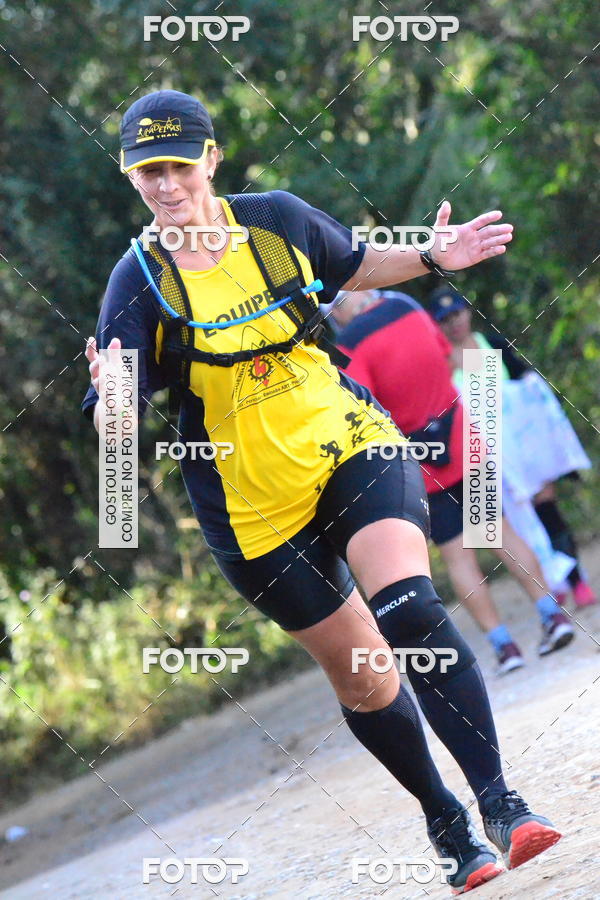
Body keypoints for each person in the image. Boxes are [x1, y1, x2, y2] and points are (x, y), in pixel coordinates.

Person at [82, 89, 562, 893]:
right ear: (130, 176)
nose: (165, 185)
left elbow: (353, 263)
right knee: (364, 673)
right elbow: (115, 422)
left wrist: (434, 255)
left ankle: (502, 804)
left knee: (409, 609)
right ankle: (445, 820)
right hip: (249, 505)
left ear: (211, 158)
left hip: (346, 441)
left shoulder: (273, 220)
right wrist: (116, 402)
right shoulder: (137, 281)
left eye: (178, 166)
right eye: (147, 171)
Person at [331, 289, 575, 674]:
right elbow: (447, 358)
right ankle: (553, 616)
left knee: (459, 557)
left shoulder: (349, 344)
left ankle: (506, 648)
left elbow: (360, 410)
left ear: (338, 309)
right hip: (462, 439)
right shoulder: (407, 308)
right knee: (499, 533)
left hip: (419, 461)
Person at [430, 286, 596, 609]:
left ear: (467, 312)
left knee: (546, 508)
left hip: (524, 449)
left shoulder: (492, 345)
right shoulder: (442, 364)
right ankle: (547, 592)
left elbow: (529, 385)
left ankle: (576, 581)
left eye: (457, 314)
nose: (454, 323)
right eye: (445, 319)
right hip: (482, 460)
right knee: (507, 526)